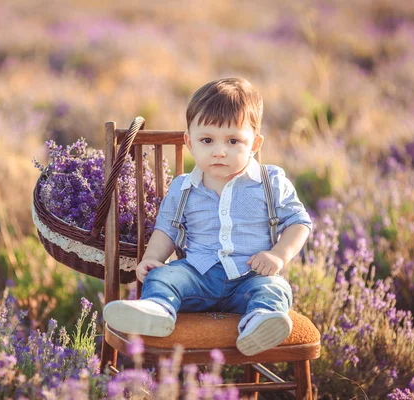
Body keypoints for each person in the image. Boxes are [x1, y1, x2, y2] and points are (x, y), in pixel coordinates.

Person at [103, 77, 312, 356]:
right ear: (190, 142)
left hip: (249, 277)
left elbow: (299, 222)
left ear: (254, 144)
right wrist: (153, 258)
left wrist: (278, 255)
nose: (219, 151)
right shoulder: (183, 187)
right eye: (207, 140)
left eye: (233, 140)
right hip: (198, 277)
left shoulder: (270, 181)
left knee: (275, 289)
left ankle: (260, 322)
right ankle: (158, 311)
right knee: (164, 278)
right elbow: (167, 229)